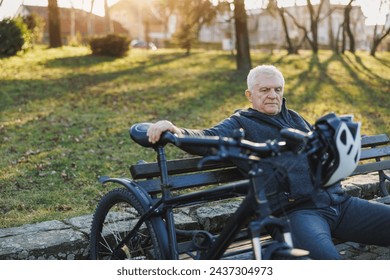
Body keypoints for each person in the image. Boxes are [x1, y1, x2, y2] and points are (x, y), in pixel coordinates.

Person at [146, 65, 390, 259]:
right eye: (264, 90)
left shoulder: (294, 117)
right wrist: (175, 130)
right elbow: (208, 137)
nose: (273, 95)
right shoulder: (240, 123)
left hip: (340, 203)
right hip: (296, 213)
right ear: (249, 94)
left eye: (278, 89)